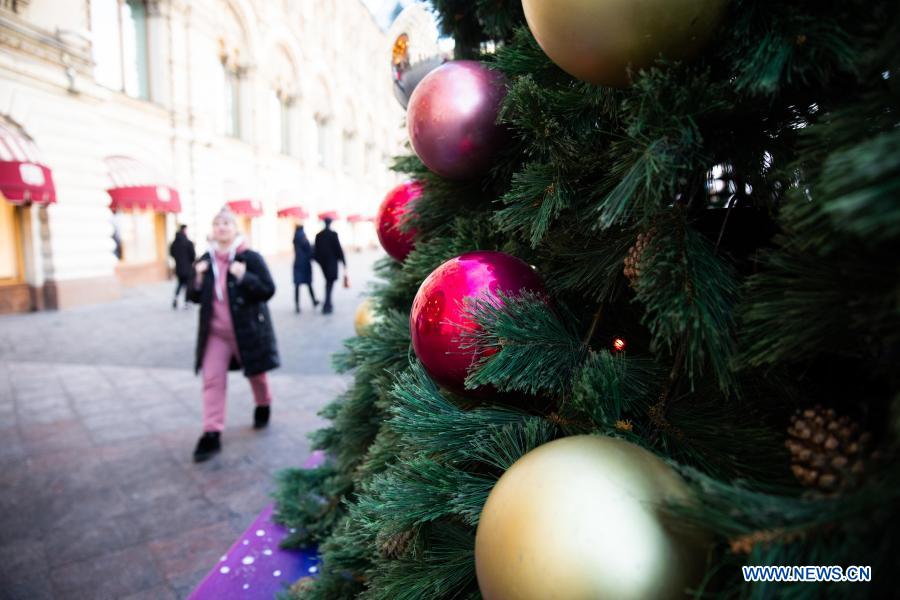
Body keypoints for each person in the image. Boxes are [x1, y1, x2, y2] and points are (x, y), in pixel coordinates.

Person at [187, 207, 279, 462]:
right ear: (212, 229)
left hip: (246, 330)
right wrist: (197, 277)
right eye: (218, 223)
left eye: (227, 223)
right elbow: (192, 296)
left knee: (256, 374)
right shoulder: (204, 260)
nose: (222, 227)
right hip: (215, 334)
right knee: (212, 379)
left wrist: (245, 276)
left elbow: (268, 290)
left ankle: (263, 403)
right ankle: (211, 433)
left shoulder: (249, 257)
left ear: (236, 228)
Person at [313, 216, 347, 314]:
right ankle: (327, 305)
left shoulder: (319, 235)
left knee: (328, 283)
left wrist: (320, 262)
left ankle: (328, 304)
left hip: (324, 264)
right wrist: (344, 262)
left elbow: (315, 252)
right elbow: (338, 249)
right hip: (331, 264)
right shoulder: (333, 234)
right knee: (329, 283)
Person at [292, 224, 318, 313]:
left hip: (297, 263)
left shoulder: (295, 237)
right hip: (304, 264)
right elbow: (309, 250)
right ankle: (314, 301)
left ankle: (297, 305)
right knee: (309, 283)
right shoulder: (303, 237)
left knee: (297, 285)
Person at [169, 224, 196, 309]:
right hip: (187, 268)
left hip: (178, 268)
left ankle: (176, 297)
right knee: (188, 285)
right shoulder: (188, 243)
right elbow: (193, 255)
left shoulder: (174, 243)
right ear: (184, 230)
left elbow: (171, 253)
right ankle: (186, 302)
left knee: (180, 283)